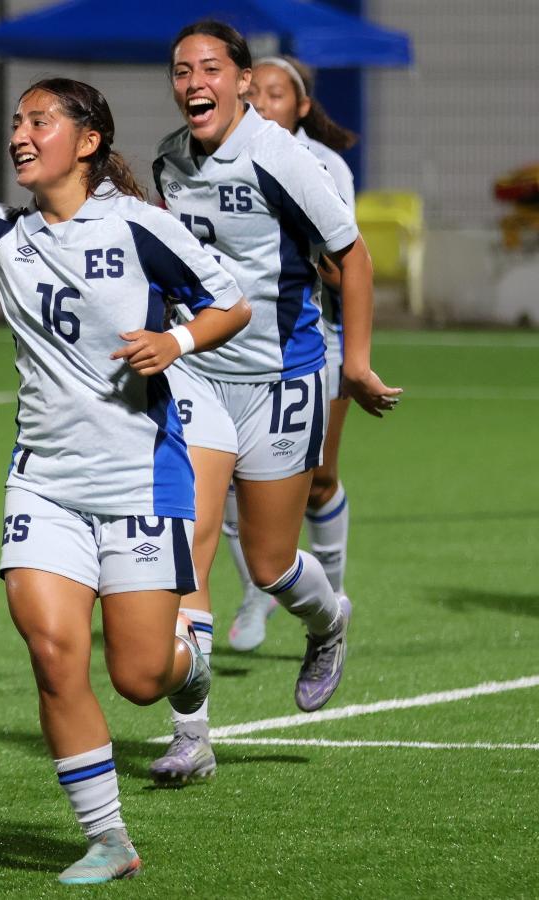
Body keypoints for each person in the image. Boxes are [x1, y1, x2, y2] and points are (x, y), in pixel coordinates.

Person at [0, 26, 251, 883]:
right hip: (45, 484)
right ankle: (108, 838)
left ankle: (191, 667)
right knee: (52, 651)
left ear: (90, 141)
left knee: (142, 677)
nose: (20, 135)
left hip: (140, 479)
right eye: (15, 122)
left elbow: (232, 304)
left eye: (39, 120)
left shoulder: (142, 228)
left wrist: (176, 341)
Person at [148, 21, 401, 785]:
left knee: (268, 561)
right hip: (197, 373)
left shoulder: (279, 156)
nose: (194, 81)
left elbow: (350, 256)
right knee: (186, 541)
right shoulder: (168, 160)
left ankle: (329, 622)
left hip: (281, 377)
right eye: (181, 68)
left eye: (209, 68)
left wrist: (352, 362)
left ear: (240, 78)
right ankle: (190, 734)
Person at [225, 55, 359, 651]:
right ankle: (259, 589)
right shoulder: (206, 155)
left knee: (321, 480)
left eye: (278, 94)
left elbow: (344, 262)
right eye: (258, 92)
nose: (266, 102)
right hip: (229, 352)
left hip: (314, 342)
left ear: (301, 106)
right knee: (226, 487)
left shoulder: (318, 164)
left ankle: (328, 602)